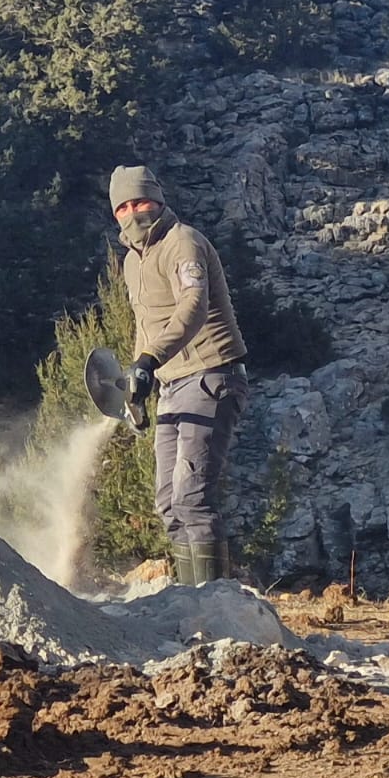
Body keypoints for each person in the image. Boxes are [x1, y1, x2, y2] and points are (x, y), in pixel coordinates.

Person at [109, 165, 249, 586]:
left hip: (210, 375)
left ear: (159, 200)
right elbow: (145, 327)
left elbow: (194, 306)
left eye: (141, 202)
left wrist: (150, 359)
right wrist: (137, 383)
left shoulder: (182, 243)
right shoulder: (134, 262)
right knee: (169, 504)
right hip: (171, 385)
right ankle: (192, 601)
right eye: (124, 206)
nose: (133, 213)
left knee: (192, 500)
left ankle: (217, 608)